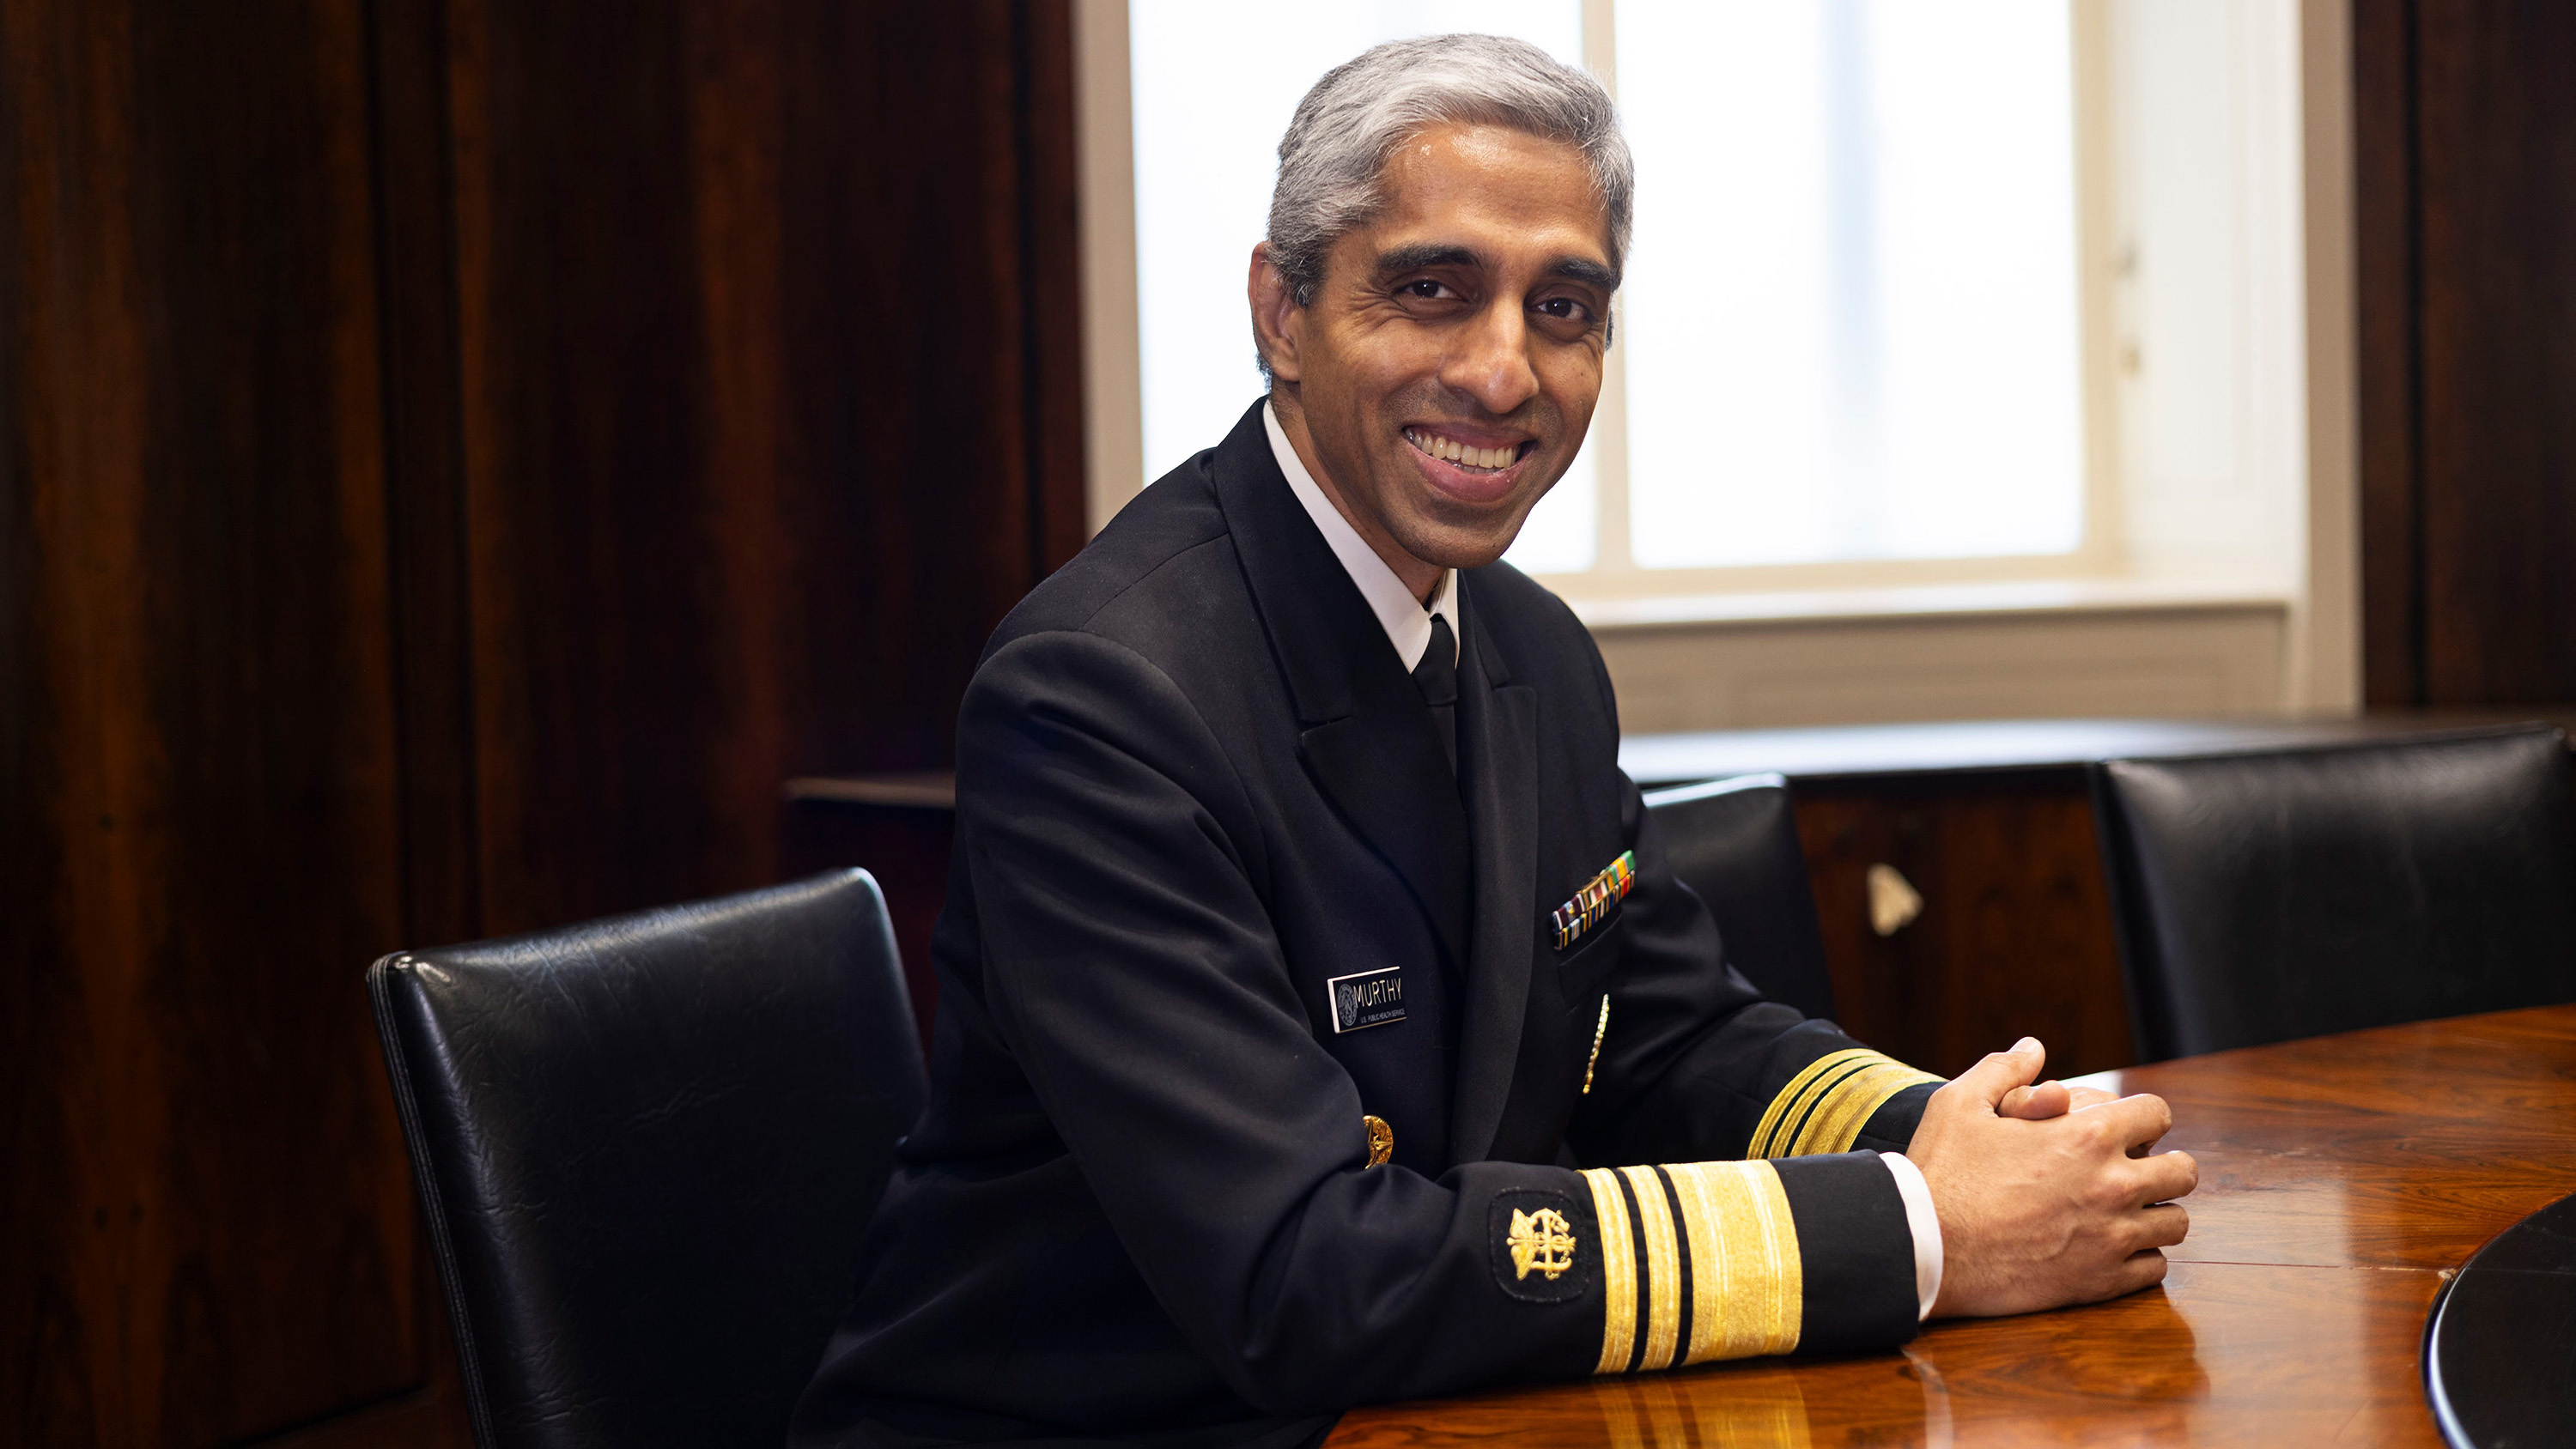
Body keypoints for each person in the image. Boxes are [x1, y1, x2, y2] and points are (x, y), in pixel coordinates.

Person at [792, 33, 2195, 1449]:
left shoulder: (1529, 649)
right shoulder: (1099, 700)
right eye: (1431, 290)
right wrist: (1918, 1229)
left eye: (1565, 307)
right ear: (1281, 311)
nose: (1503, 370)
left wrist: (1962, 1140)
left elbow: (1665, 1036)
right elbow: (1305, 1271)